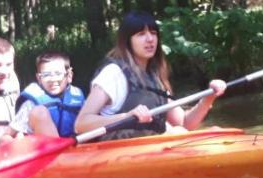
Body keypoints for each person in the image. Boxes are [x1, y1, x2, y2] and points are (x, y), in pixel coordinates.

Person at [74, 11, 226, 141]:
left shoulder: (154, 75)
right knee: (178, 133)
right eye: (141, 34)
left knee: (215, 131)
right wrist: (126, 117)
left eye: (153, 33)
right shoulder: (114, 73)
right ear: (128, 42)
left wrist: (209, 98)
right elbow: (81, 124)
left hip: (152, 149)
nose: (150, 39)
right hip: (119, 156)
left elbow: (184, 122)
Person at [10, 52, 85, 138]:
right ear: (39, 78)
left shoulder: (79, 98)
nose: (52, 79)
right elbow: (8, 135)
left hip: (78, 148)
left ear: (69, 75)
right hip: (45, 148)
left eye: (58, 73)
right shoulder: (30, 104)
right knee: (39, 112)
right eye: (46, 75)